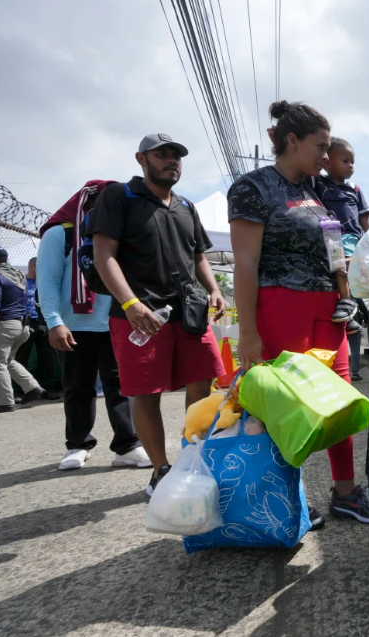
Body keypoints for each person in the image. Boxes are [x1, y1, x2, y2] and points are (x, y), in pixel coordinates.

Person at [228, 101, 369, 529]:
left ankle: (345, 493)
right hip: (281, 306)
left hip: (326, 310)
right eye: (320, 147)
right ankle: (284, 500)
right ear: (292, 141)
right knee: (287, 405)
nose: (325, 156)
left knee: (336, 402)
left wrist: (347, 295)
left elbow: (336, 250)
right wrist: (248, 332)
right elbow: (245, 263)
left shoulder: (317, 192)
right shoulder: (253, 188)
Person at [88, 134, 227, 496]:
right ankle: (160, 470)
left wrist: (213, 288)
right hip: (140, 315)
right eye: (162, 155)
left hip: (190, 311)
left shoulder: (186, 206)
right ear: (141, 159)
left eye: (176, 156)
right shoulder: (119, 197)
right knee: (145, 392)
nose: (171, 161)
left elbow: (199, 256)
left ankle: (193, 458)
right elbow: (105, 255)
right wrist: (130, 303)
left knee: (203, 382)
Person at [38, 181, 149, 471]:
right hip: (73, 325)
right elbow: (47, 281)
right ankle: (77, 445)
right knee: (77, 387)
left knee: (121, 385)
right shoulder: (58, 235)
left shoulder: (120, 233)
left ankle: (127, 445)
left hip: (116, 320)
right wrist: (54, 322)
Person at [0, 245, 46, 415]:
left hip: (3, 326)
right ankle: (32, 387)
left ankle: (3, 401)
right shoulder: (17, 275)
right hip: (21, 326)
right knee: (7, 360)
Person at [319, 137, 369, 336]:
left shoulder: (355, 189)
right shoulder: (318, 183)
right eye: (345, 161)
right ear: (327, 163)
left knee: (342, 267)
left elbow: (364, 219)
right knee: (337, 271)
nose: (350, 166)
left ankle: (347, 303)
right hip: (329, 235)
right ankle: (349, 313)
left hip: (351, 238)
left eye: (352, 162)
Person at [15, 257, 61, 399]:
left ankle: (48, 388)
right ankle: (18, 390)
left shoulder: (45, 283)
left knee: (47, 356)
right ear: (33, 267)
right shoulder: (20, 283)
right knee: (21, 356)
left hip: (43, 322)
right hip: (26, 323)